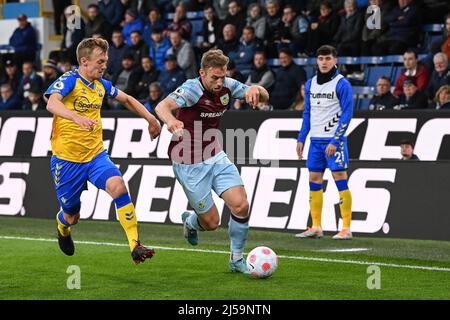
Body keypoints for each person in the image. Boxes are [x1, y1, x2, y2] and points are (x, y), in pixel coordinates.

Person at [44, 38, 161, 263]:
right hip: (67, 161)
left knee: (118, 185)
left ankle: (135, 245)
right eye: (100, 61)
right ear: (84, 62)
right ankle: (62, 226)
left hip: (96, 156)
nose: (104, 66)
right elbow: (52, 103)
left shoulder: (101, 85)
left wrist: (150, 118)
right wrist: (76, 117)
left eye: (106, 61)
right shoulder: (69, 80)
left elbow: (126, 98)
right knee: (72, 215)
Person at [154, 49, 269, 274]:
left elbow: (261, 95)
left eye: (222, 77)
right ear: (202, 73)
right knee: (211, 223)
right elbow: (162, 107)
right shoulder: (191, 89)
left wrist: (257, 89)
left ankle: (237, 260)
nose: (219, 82)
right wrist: (170, 122)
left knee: (241, 205)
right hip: (188, 162)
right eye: (214, 77)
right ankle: (190, 222)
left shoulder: (228, 86)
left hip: (215, 154)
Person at [295, 45, 354, 240]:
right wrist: (302, 138)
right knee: (313, 179)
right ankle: (316, 226)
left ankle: (346, 228)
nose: (324, 62)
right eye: (321, 59)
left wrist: (336, 141)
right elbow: (307, 113)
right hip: (315, 142)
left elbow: (347, 114)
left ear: (335, 60)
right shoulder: (310, 83)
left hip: (333, 141)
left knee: (339, 177)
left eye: (328, 58)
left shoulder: (342, 84)